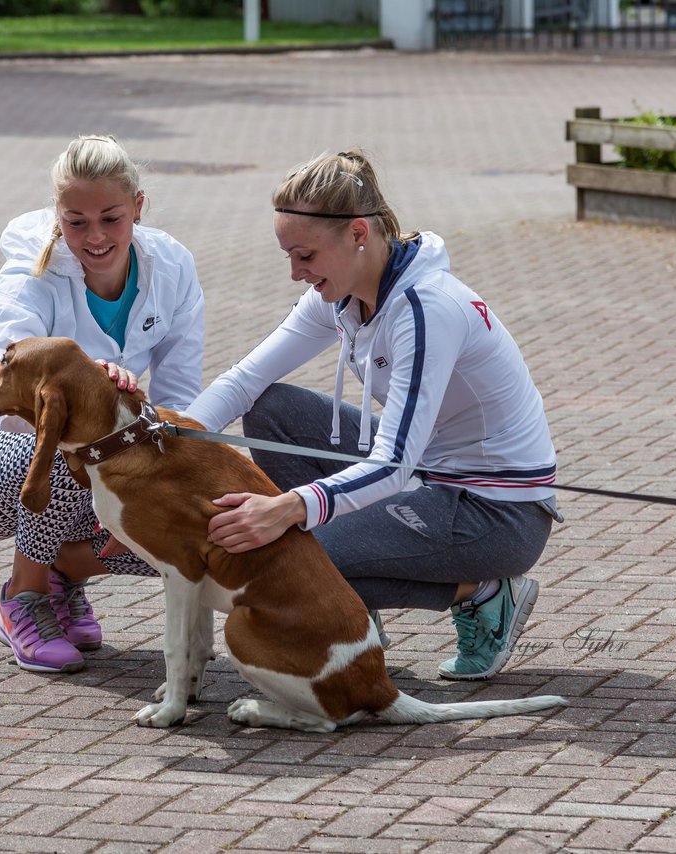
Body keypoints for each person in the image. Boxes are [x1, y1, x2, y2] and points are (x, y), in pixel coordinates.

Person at [183, 149, 560, 681]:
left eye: (305, 256)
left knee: (295, 555)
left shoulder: (427, 310)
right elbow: (244, 381)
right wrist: (173, 446)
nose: (295, 273)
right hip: (427, 474)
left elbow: (393, 466)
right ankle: (349, 609)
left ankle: (485, 592)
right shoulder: (344, 293)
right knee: (272, 407)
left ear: (358, 234)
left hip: (498, 515)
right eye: (288, 255)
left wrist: (290, 509)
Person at [0, 134, 205, 675]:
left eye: (111, 217)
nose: (96, 236)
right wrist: (98, 401)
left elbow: (180, 396)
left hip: (96, 456)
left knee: (189, 515)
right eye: (76, 221)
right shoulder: (26, 280)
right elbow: (13, 411)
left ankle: (64, 575)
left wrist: (173, 462)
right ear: (58, 215)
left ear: (138, 208)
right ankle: (22, 598)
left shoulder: (171, 266)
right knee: (62, 447)